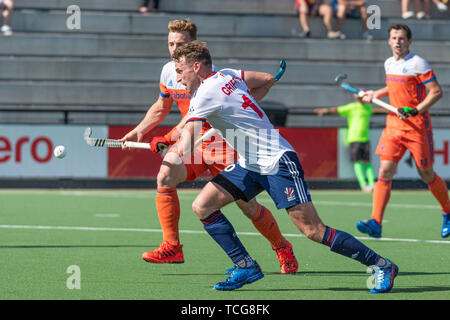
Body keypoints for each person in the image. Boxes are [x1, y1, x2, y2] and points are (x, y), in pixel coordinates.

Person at [172, 40, 399, 293]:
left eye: (180, 71)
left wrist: (166, 146)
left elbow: (185, 148)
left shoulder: (204, 93)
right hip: (250, 163)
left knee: (313, 230)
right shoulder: (228, 74)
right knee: (203, 206)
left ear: (196, 66)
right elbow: (266, 79)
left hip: (277, 160)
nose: (178, 78)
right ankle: (245, 265)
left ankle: (381, 264)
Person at [119, 19, 298, 274]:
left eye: (179, 44)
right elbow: (161, 106)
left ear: (193, 46)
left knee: (247, 206)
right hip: (193, 143)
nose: (173, 49)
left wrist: (169, 137)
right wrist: (140, 130)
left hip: (222, 142)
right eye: (170, 43)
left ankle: (282, 247)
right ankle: (172, 247)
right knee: (166, 174)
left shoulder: (214, 74)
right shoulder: (169, 72)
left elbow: (265, 79)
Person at [356, 23, 450, 239]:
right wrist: (375, 94)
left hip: (417, 127)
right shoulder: (389, 63)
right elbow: (394, 87)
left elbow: (436, 92)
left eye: (401, 38)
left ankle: (448, 211)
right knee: (384, 171)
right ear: (388, 41)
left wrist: (415, 110)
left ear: (409, 41)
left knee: (426, 174)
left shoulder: (418, 64)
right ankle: (375, 223)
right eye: (394, 38)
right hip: (394, 125)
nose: (397, 42)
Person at [315, 94, 386, 191]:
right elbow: (337, 110)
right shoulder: (351, 107)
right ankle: (363, 185)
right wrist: (325, 110)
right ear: (355, 97)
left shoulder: (368, 108)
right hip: (354, 139)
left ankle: (372, 184)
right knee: (357, 162)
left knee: (367, 162)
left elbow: (378, 111)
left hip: (365, 139)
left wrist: (392, 110)